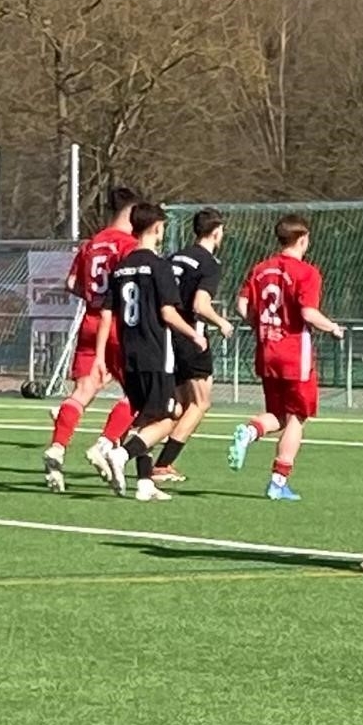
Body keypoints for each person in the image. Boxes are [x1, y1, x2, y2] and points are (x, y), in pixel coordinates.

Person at [92, 203, 207, 501]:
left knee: (146, 418)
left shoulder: (121, 267)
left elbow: (106, 314)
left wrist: (101, 357)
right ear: (157, 228)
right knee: (170, 415)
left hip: (129, 352)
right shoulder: (159, 266)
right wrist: (194, 334)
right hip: (156, 352)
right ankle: (121, 454)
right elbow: (167, 313)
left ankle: (144, 483)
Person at [226, 214, 345, 500]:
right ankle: (278, 482)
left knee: (278, 414)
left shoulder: (260, 269)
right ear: (303, 239)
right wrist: (332, 327)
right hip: (294, 355)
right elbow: (308, 313)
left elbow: (241, 304)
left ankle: (251, 431)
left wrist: (258, 324)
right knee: (297, 417)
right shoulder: (307, 272)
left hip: (267, 351)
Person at [41, 186, 141, 493]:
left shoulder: (92, 243)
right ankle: (104, 444)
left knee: (81, 392)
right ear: (131, 212)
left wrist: (91, 296)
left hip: (90, 322)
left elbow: (72, 283)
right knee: (138, 393)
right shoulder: (129, 245)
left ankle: (58, 447)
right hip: (118, 326)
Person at [152, 208, 235, 484]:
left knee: (179, 406)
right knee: (200, 404)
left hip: (168, 334)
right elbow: (200, 305)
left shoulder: (174, 256)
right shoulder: (208, 263)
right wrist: (221, 322)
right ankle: (161, 464)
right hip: (191, 336)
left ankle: (133, 445)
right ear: (216, 231)